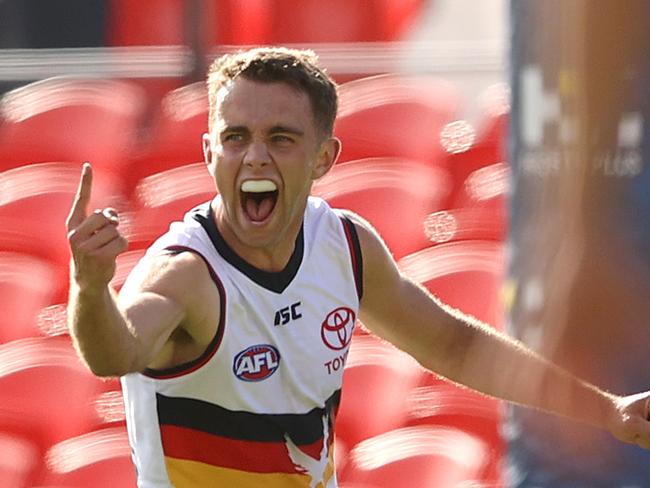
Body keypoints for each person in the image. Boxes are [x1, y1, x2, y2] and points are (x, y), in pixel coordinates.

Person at [66, 47, 650, 488]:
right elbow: (115, 353)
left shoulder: (343, 246)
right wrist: (91, 289)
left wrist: (605, 409)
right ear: (208, 152)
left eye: (281, 137)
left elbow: (454, 346)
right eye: (236, 136)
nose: (256, 155)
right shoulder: (186, 272)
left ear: (325, 158)